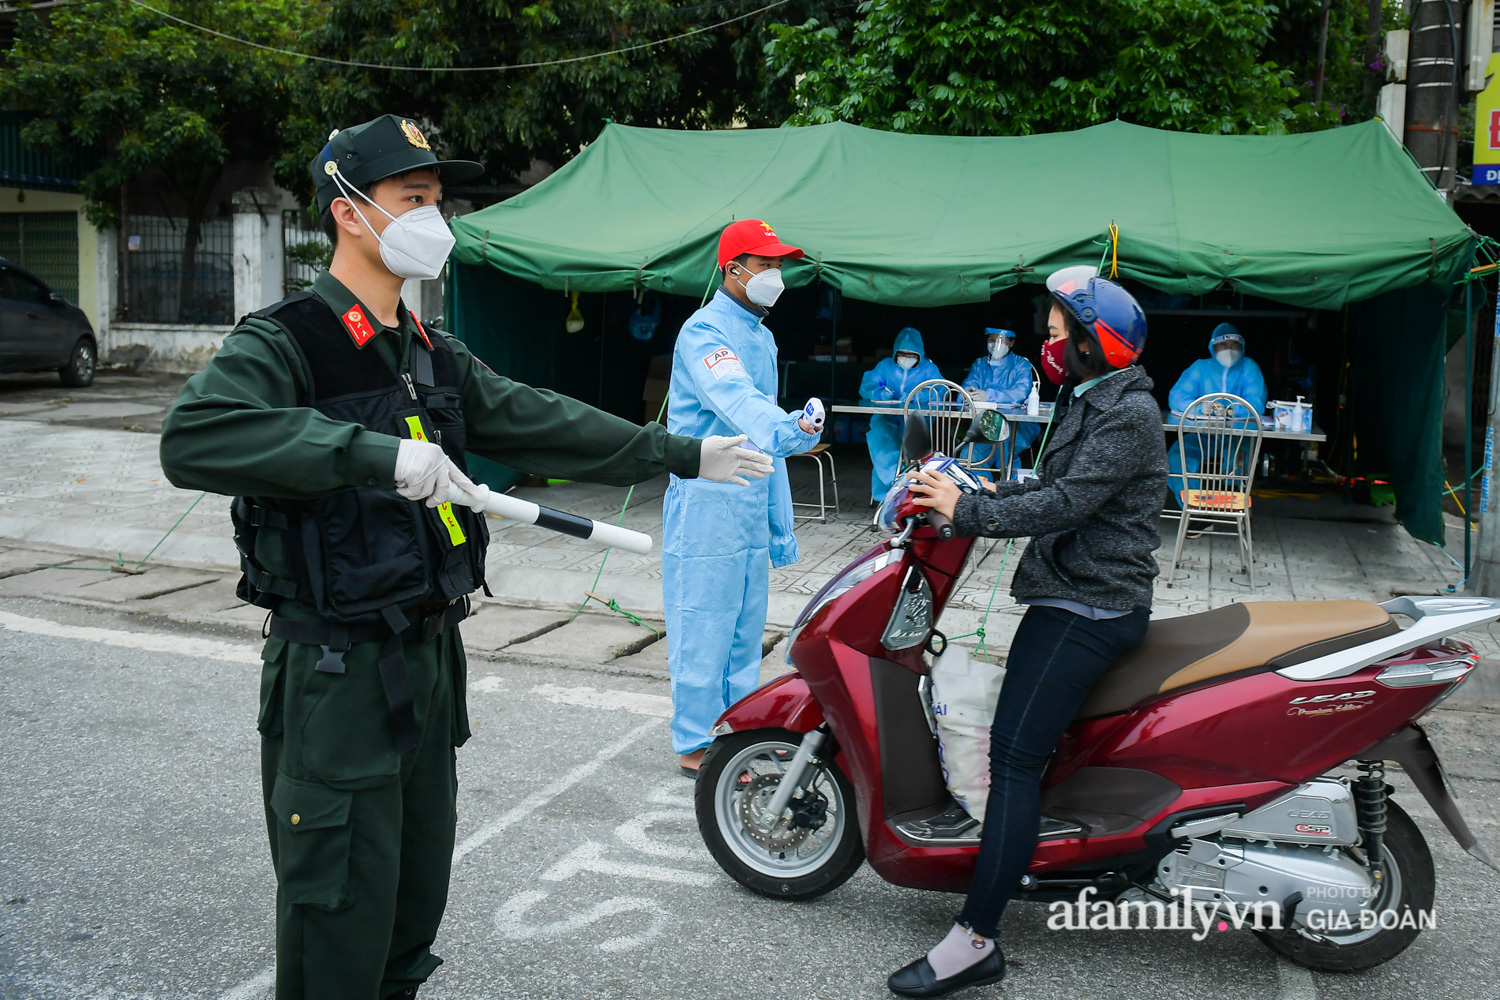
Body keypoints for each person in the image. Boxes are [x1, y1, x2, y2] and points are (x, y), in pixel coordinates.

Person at [158, 115, 771, 1000]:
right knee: (337, 925)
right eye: (414, 200)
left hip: (430, 658)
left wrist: (682, 453)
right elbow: (195, 438)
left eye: (438, 202)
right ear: (349, 212)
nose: (434, 221)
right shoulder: (287, 340)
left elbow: (541, 416)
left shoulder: (429, 350)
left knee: (410, 918)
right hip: (337, 670)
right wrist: (373, 455)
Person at [891, 270, 1166, 999]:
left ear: (1088, 342)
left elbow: (1070, 503)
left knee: (1012, 761)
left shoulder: (1127, 413)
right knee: (1022, 753)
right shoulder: (1092, 398)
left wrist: (970, 512)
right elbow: (1044, 485)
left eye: (1053, 336)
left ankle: (974, 939)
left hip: (1091, 605)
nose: (1047, 348)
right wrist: (967, 491)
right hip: (1068, 595)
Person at [663, 218, 823, 777]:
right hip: (709, 497)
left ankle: (736, 727)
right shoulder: (706, 331)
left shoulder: (762, 333)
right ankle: (694, 740)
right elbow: (737, 399)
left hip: (750, 493)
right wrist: (786, 431)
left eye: (780, 264)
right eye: (765, 264)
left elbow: (765, 425)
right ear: (733, 270)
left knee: (743, 626)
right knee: (703, 619)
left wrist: (781, 523)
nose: (776, 274)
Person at [1166, 323, 1267, 498]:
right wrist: (1200, 408)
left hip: (1238, 437)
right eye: (1223, 345)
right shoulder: (1200, 368)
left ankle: (1231, 506)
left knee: (1236, 461)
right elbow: (1177, 397)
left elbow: (1256, 402)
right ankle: (1194, 509)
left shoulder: (1249, 367)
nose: (1229, 349)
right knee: (1178, 457)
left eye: (1234, 345)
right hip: (1202, 436)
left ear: (1242, 347)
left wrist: (1231, 411)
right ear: (1212, 347)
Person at [859, 327, 943, 503]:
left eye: (911, 354)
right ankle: (890, 493)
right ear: (895, 352)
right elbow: (867, 385)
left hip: (917, 421)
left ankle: (904, 490)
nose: (906, 358)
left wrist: (919, 395)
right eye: (902, 354)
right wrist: (878, 393)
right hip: (886, 417)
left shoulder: (929, 369)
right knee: (882, 442)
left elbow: (940, 390)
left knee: (912, 449)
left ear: (919, 354)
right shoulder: (884, 366)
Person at [961, 327, 1040, 477]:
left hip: (1018, 426)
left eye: (1000, 340)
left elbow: (1020, 393)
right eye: (991, 339)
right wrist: (969, 393)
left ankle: (1011, 491)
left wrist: (988, 395)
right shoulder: (980, 365)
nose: (995, 344)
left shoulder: (1021, 364)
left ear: (1011, 343)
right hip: (984, 425)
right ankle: (980, 492)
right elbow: (964, 391)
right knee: (970, 452)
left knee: (1004, 445)